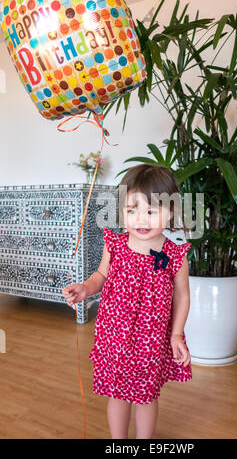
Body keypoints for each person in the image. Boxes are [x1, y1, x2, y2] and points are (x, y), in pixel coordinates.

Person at [62, 163, 192, 439]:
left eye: (151, 211)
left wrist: (177, 334)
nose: (140, 219)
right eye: (132, 210)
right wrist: (85, 288)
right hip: (114, 337)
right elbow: (100, 275)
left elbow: (182, 295)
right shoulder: (116, 245)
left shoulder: (175, 256)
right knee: (118, 394)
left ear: (171, 212)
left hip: (151, 340)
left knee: (146, 396)